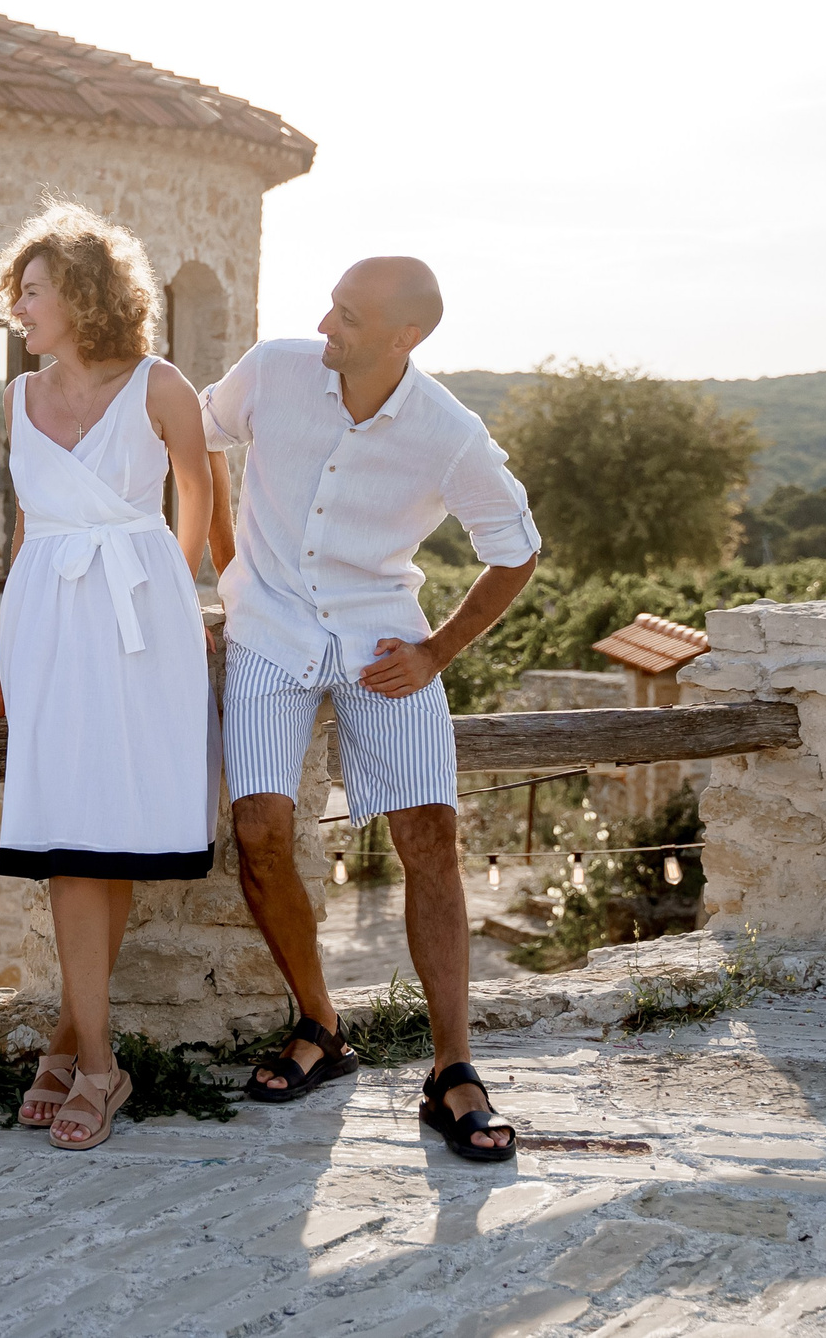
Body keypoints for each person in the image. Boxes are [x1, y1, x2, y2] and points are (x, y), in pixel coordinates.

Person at [201, 256, 539, 1159]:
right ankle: (320, 1024)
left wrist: (438, 651)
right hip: (268, 630)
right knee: (261, 827)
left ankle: (453, 1068)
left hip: (383, 642)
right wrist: (226, 563)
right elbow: (187, 431)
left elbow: (516, 547)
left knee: (431, 835)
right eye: (331, 306)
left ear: (404, 337)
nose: (324, 325)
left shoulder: (447, 431)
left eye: (346, 316)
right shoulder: (274, 370)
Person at [0, 200, 214, 1152]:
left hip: (138, 620)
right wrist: (6, 646)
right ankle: (90, 1053)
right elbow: (26, 529)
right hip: (48, 614)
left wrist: (180, 598)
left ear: (82, 294)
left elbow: (199, 489)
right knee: (70, 834)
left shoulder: (161, 386)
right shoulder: (17, 396)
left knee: (111, 835)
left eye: (32, 292)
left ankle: (82, 1052)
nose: (19, 310)